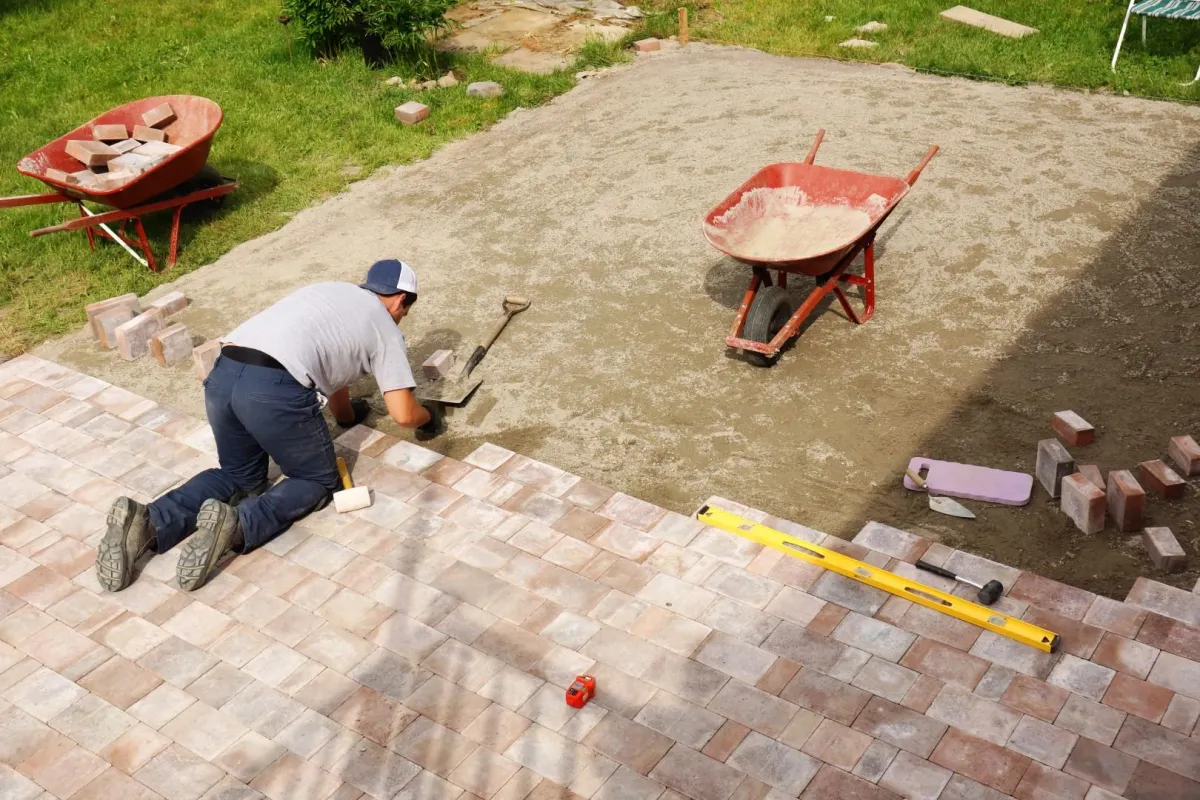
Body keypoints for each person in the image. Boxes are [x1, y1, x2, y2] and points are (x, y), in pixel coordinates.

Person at [95, 259, 444, 593]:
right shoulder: (384, 327)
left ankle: (150, 520)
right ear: (400, 300)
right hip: (272, 389)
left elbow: (331, 367)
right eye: (404, 311)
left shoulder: (331, 292)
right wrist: (430, 417)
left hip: (224, 373)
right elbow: (403, 414)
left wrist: (347, 417)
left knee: (239, 476)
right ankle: (238, 524)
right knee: (316, 479)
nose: (401, 318)